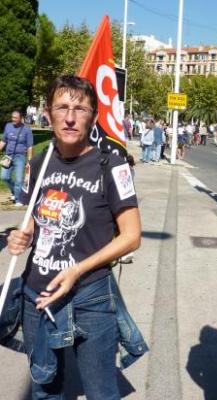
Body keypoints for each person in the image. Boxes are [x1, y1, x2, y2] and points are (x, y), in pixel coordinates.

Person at [6, 75, 145, 399]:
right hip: (36, 295)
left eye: (80, 109)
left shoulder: (111, 164)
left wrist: (77, 270)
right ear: (48, 113)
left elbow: (132, 236)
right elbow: (33, 222)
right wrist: (20, 236)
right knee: (45, 389)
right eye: (62, 107)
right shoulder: (39, 162)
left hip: (89, 299)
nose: (70, 117)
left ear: (93, 117)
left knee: (100, 393)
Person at [0, 110, 33, 206]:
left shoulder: (27, 130)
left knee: (19, 180)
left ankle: (19, 200)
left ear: (21, 118)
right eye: (12, 117)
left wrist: (29, 161)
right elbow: (3, 141)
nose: (13, 119)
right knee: (4, 177)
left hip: (20, 157)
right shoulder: (8, 126)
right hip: (8, 156)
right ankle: (15, 191)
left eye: (15, 118)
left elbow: (30, 146)